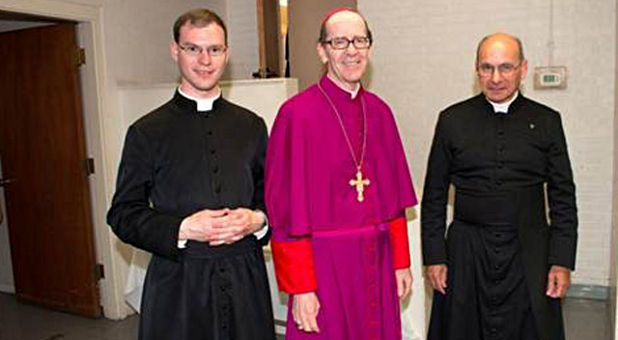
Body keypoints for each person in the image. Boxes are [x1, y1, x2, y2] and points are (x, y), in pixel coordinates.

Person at [107, 8, 275, 340]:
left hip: (246, 283)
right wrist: (182, 227)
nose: (205, 60)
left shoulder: (251, 126)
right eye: (192, 48)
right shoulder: (146, 131)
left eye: (214, 49)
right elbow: (123, 214)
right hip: (178, 286)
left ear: (226, 53)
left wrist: (258, 221)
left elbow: (272, 200)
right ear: (175, 50)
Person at [265, 8, 417, 340]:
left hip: (376, 262)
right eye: (339, 42)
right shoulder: (295, 116)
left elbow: (394, 202)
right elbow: (283, 211)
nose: (351, 50)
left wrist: (401, 262)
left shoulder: (380, 112)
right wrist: (301, 287)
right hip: (322, 269)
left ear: (370, 48)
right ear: (322, 50)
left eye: (360, 40)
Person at [421, 33, 577, 340]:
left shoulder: (547, 121)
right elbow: (434, 196)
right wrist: (435, 256)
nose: (495, 78)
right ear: (476, 70)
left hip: (530, 250)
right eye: (486, 67)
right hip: (467, 251)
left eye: (506, 67)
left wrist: (561, 260)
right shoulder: (452, 120)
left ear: (523, 69)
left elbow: (563, 198)